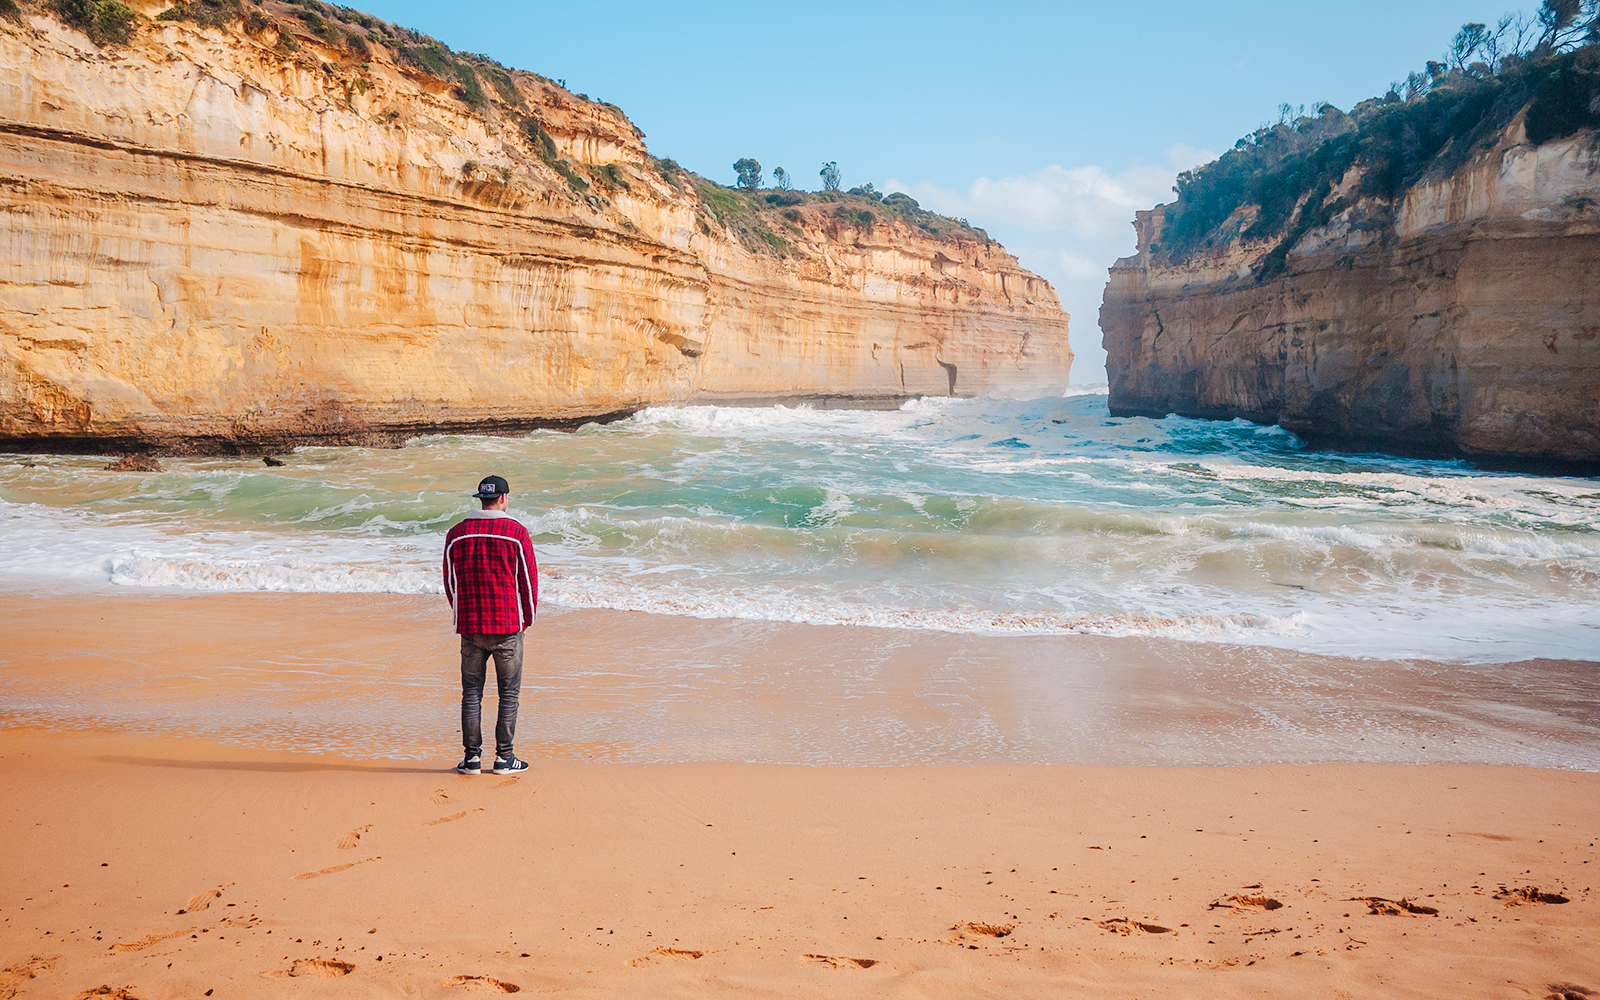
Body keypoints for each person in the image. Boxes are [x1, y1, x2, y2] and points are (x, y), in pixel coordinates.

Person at [442, 474, 537, 775]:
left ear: (480, 499)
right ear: (505, 499)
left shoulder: (457, 534)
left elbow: (449, 582)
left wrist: (461, 614)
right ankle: (504, 758)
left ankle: (472, 759)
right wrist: (528, 618)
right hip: (507, 625)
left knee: (471, 693)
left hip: (470, 626)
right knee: (508, 693)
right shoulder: (516, 532)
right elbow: (528, 581)